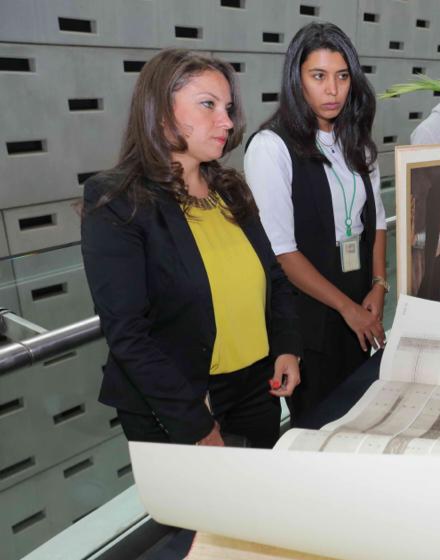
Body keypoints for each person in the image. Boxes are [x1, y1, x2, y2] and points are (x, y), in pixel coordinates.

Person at [80, 49, 302, 449]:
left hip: (257, 387)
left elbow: (273, 276)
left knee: (254, 505)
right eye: (208, 105)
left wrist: (287, 346)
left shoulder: (230, 189)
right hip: (181, 402)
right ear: (161, 113)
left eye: (228, 108)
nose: (227, 121)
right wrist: (194, 422)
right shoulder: (118, 199)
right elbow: (127, 331)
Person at [245, 22, 387, 426]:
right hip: (310, 316)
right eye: (319, 76)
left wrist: (378, 286)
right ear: (297, 79)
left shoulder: (356, 141)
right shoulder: (270, 148)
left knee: (362, 418)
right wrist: (347, 309)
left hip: (360, 305)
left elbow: (375, 222)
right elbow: (281, 252)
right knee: (319, 425)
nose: (333, 90)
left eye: (342, 77)